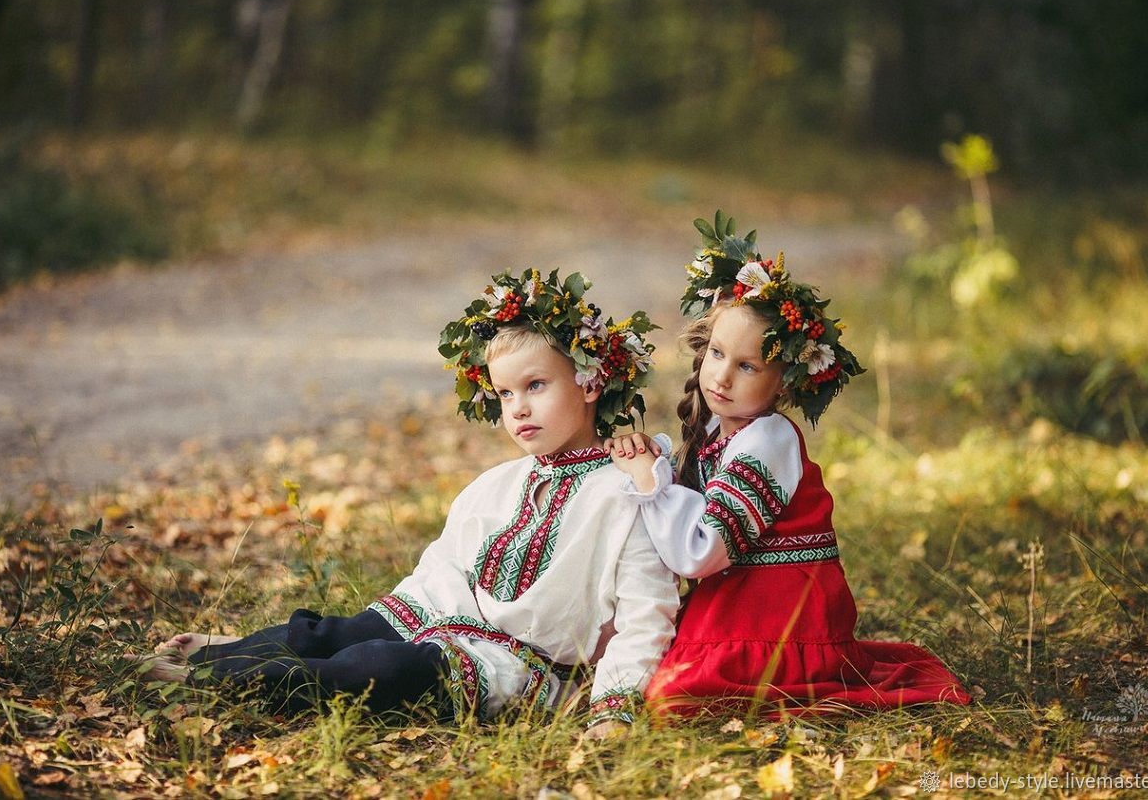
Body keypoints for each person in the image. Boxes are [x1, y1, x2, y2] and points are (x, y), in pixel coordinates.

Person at [140, 269, 680, 737]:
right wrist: (405, 619)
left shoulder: (626, 490)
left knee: (378, 666)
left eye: (535, 385)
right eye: (505, 394)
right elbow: (440, 576)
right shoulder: (495, 485)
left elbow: (645, 615)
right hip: (445, 621)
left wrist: (614, 708)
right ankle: (226, 651)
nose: (517, 409)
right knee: (341, 632)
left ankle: (212, 677)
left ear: (589, 382)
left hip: (516, 667)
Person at [607, 214, 971, 718]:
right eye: (716, 353)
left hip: (781, 620)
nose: (723, 377)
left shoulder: (769, 440)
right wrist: (657, 464)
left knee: (674, 697)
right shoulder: (720, 429)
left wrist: (651, 481)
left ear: (785, 384)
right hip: (739, 604)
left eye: (748, 366)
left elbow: (699, 552)